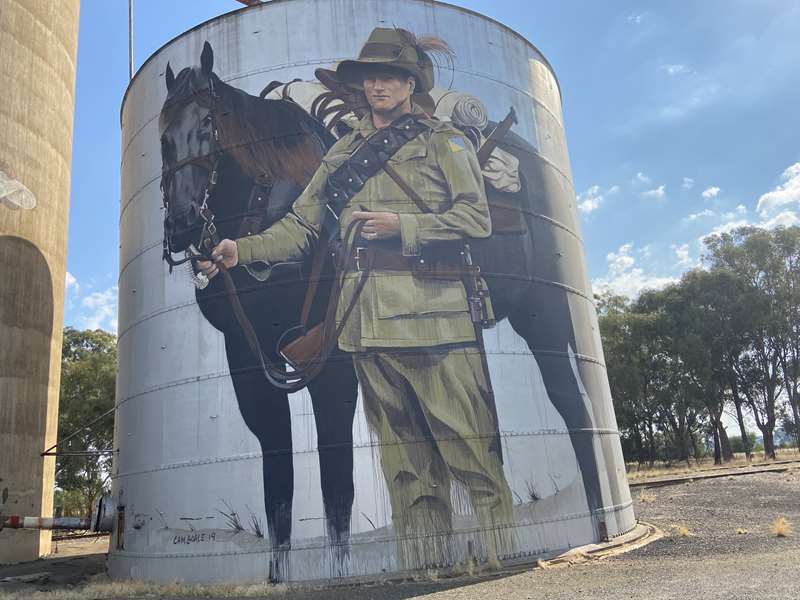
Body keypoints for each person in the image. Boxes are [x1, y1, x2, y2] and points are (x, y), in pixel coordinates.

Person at [200, 27, 514, 569]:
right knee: (406, 467)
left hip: (436, 319)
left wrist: (402, 225)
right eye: (371, 77)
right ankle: (424, 567)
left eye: (390, 75)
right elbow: (300, 225)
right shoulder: (343, 152)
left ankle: (503, 565)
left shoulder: (444, 141)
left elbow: (473, 218)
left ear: (411, 82)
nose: (379, 86)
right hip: (367, 325)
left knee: (469, 453)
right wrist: (239, 248)